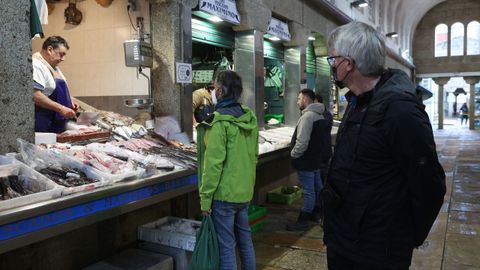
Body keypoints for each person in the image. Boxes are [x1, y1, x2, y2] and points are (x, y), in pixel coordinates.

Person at [323, 21, 446, 269]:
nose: (331, 65)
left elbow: (429, 184)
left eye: (332, 59)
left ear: (349, 63)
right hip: (344, 240)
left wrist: (404, 238)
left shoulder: (399, 110)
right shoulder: (358, 102)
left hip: (377, 251)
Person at [196, 70, 259, 269]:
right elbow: (254, 156)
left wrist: (205, 200)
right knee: (245, 240)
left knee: (226, 247)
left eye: (215, 87)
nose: (213, 91)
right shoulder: (250, 119)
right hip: (244, 193)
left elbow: (213, 165)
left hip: (224, 196)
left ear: (220, 91)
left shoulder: (219, 123)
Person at [286, 89, 330, 231]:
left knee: (309, 191)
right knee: (317, 188)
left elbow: (302, 142)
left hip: (306, 161)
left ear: (305, 99)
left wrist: (293, 154)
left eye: (299, 99)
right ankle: (316, 213)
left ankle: (303, 220)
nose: (297, 102)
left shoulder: (307, 117)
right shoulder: (320, 115)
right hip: (315, 159)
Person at [33, 36, 78, 133]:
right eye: (61, 54)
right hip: (44, 122)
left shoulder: (54, 67)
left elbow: (57, 90)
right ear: (50, 50)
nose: (63, 59)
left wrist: (70, 101)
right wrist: (61, 108)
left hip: (57, 122)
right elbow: (35, 95)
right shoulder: (36, 64)